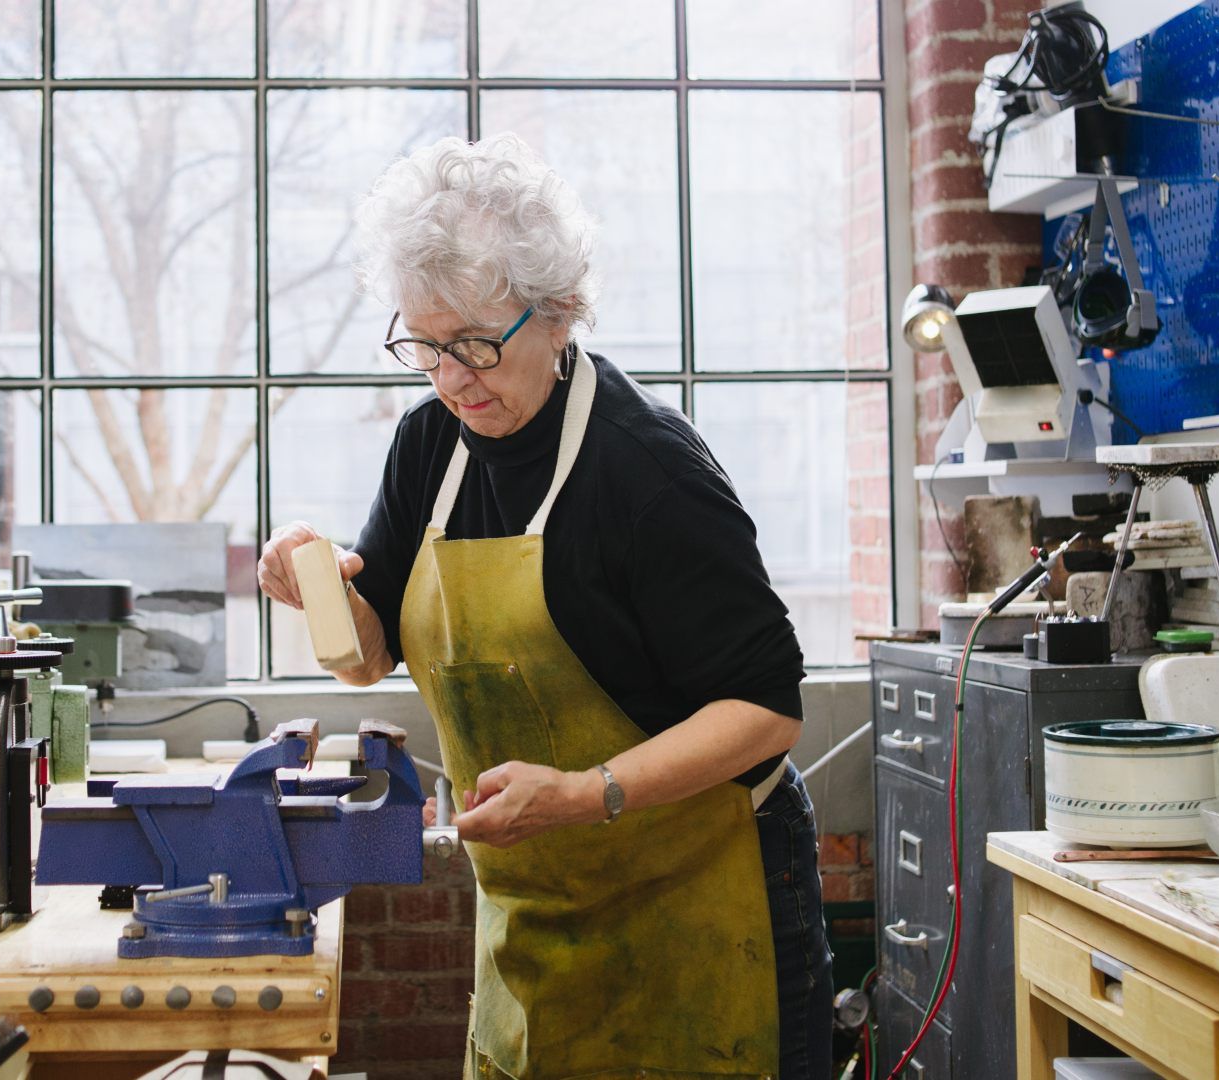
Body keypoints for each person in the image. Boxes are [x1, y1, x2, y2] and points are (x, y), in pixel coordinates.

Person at [257, 133, 831, 1080]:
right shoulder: (429, 445)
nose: (451, 378)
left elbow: (767, 710)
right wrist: (316, 584)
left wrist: (583, 794)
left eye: (476, 345)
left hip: (703, 887)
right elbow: (369, 656)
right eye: (426, 347)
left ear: (559, 313)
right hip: (536, 905)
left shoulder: (647, 470)